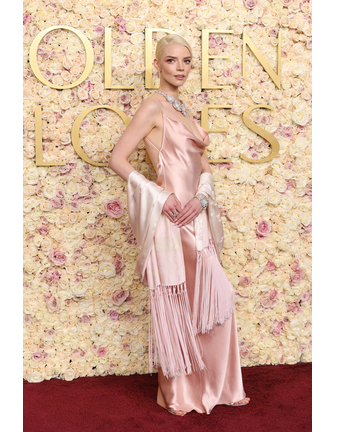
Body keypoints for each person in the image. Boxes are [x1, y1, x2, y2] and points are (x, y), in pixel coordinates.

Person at [108, 34, 250, 416]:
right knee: (179, 307)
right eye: (171, 60)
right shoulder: (153, 106)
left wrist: (202, 198)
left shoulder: (185, 110)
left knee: (212, 301)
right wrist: (161, 197)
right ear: (157, 65)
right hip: (170, 221)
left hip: (195, 217)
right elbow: (118, 158)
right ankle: (182, 394)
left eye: (187, 60)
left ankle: (219, 387)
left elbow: (203, 168)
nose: (181, 67)